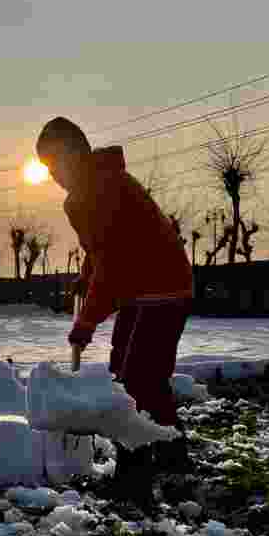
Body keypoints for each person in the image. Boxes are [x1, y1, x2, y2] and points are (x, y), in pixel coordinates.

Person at [36, 116, 194, 507]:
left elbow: (113, 262)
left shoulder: (96, 190)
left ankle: (134, 477)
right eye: (47, 168)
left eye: (55, 164)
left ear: (74, 153)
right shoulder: (100, 184)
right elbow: (101, 250)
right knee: (144, 378)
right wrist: (84, 277)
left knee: (133, 383)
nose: (53, 174)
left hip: (154, 290)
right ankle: (173, 455)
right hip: (157, 289)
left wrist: (86, 323)